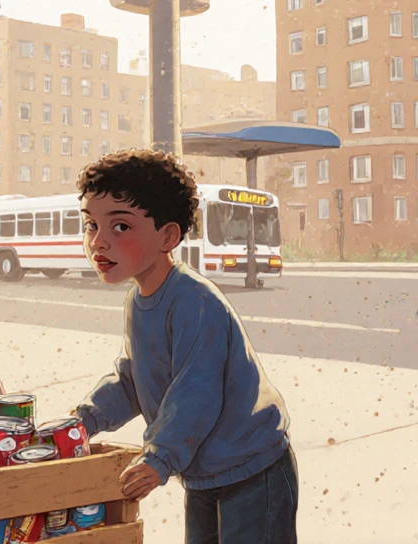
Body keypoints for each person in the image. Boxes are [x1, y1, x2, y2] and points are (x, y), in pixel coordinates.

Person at [72, 150, 298, 544]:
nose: (99, 242)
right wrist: (83, 422)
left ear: (168, 236)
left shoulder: (194, 300)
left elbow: (196, 391)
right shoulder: (138, 301)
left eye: (120, 227)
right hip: (204, 472)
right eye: (91, 225)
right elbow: (132, 380)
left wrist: (159, 459)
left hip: (253, 468)